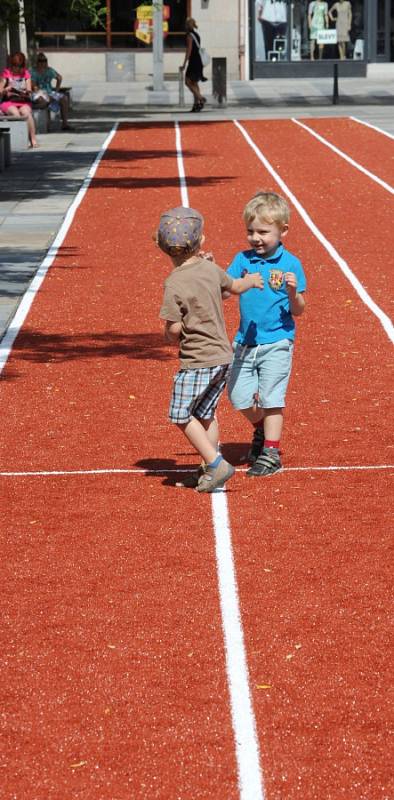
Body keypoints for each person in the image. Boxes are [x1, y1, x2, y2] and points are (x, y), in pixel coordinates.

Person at [157, 206, 263, 492]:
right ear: (201, 241)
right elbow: (233, 288)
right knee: (205, 414)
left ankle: (216, 463)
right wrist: (251, 281)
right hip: (223, 357)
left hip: (197, 359)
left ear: (160, 247)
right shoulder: (210, 267)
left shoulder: (174, 283)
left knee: (180, 414)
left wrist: (168, 332)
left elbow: (174, 331)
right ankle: (208, 468)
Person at [226, 192, 306, 477]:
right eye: (251, 231)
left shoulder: (291, 264)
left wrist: (293, 292)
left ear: (282, 230)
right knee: (237, 396)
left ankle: (271, 452)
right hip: (244, 342)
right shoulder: (242, 259)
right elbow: (226, 290)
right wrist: (240, 282)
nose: (256, 238)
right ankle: (260, 429)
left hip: (278, 342)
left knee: (272, 398)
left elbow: (299, 310)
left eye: (263, 231)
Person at [0, 52, 38, 147]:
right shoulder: (6, 73)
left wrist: (26, 92)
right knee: (15, 114)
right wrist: (6, 89)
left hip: (23, 100)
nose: (17, 68)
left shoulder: (26, 73)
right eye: (15, 66)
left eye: (19, 66)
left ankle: (33, 139)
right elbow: (0, 91)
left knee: (27, 113)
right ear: (11, 65)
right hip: (8, 101)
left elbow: (29, 91)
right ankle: (20, 140)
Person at [31, 52, 73, 131]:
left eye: (44, 60)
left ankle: (65, 124)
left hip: (49, 92)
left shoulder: (49, 70)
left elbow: (59, 77)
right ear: (37, 62)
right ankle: (47, 125)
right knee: (44, 100)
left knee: (64, 98)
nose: (43, 63)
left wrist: (56, 90)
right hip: (38, 93)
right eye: (41, 61)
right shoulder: (33, 72)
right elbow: (33, 86)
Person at [180, 18, 207, 113]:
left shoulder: (189, 36)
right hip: (199, 60)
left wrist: (184, 64)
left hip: (194, 61)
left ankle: (200, 98)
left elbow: (189, 50)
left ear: (187, 25)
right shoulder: (196, 35)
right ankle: (196, 105)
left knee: (187, 82)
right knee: (194, 83)